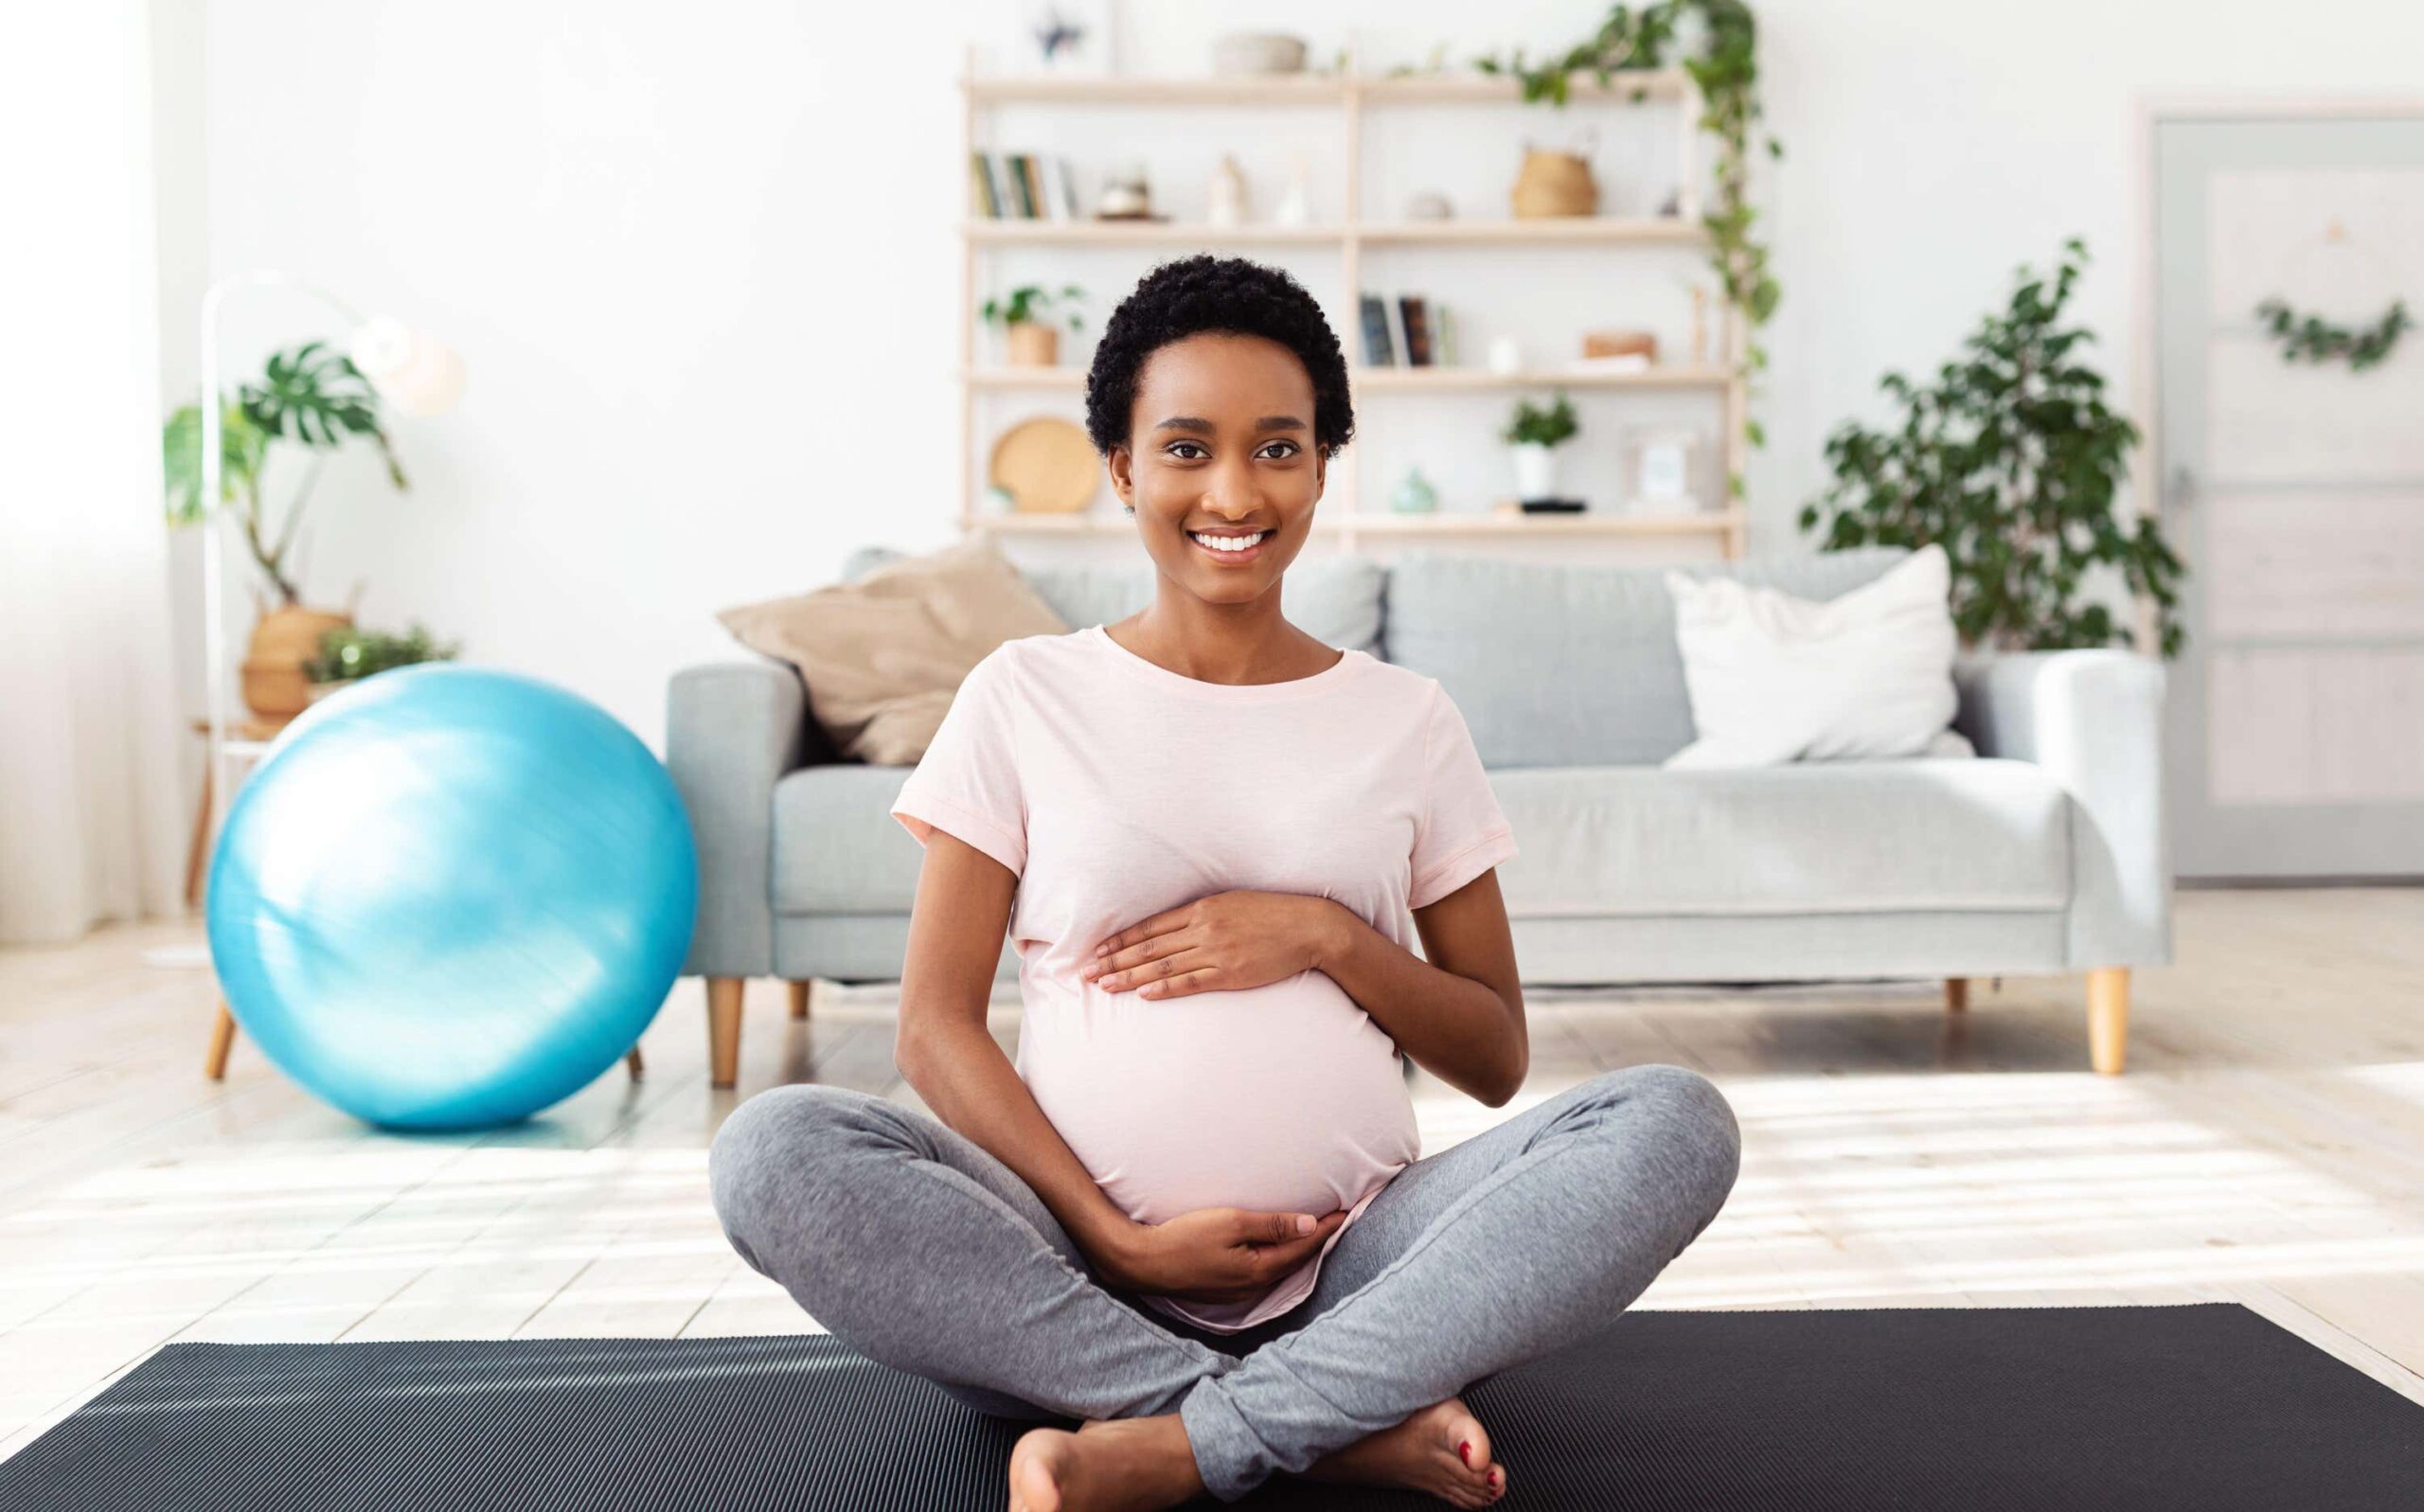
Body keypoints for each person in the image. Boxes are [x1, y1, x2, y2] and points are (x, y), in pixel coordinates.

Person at [709, 254, 1741, 1512]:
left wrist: (1325, 936)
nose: (1236, 491)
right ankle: (1320, 1421)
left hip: (1366, 1265)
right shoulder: (1025, 694)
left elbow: (1495, 1054)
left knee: (1674, 1121)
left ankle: (1175, 1440)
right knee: (775, 1147)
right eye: (1188, 448)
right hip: (1066, 1275)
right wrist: (1111, 1230)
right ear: (1123, 467)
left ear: (1321, 465)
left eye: (1280, 447)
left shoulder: (1407, 718)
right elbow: (932, 1028)